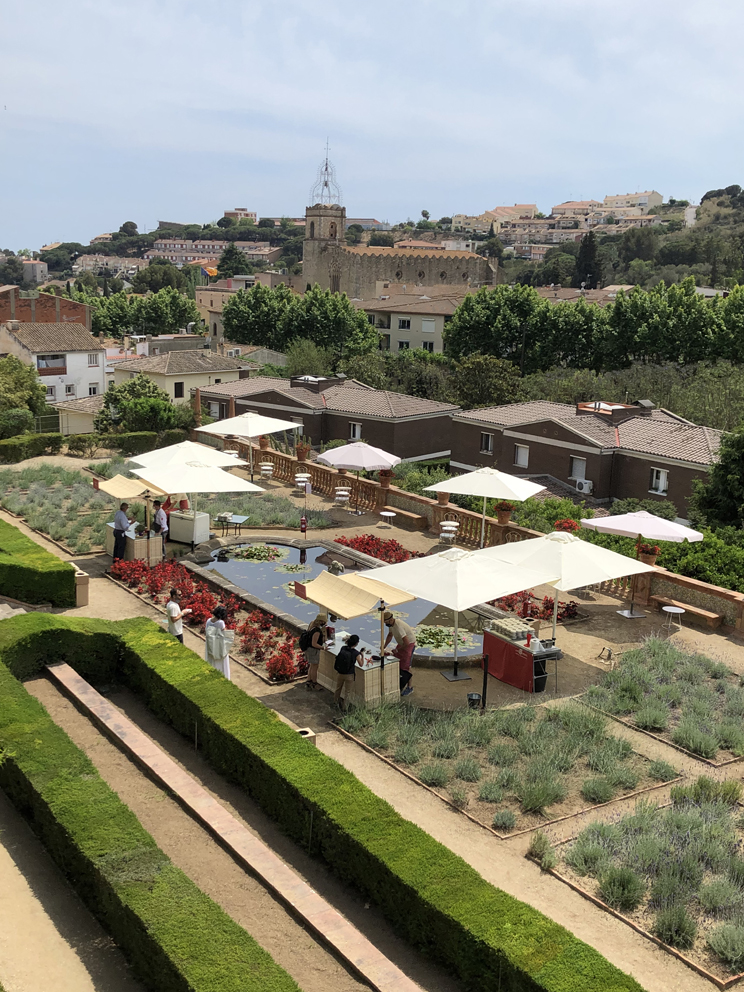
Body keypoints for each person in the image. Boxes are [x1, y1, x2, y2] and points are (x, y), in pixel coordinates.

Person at [384, 611, 416, 696]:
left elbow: (407, 643)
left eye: (386, 622)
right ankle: (399, 681)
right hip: (402, 644)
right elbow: (390, 635)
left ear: (391, 620)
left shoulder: (398, 626)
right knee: (397, 661)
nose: (386, 624)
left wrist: (397, 650)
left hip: (409, 644)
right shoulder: (391, 625)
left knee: (407, 666)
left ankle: (409, 687)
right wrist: (384, 646)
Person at [333, 634, 361, 711]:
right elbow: (361, 664)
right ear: (356, 643)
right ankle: (345, 708)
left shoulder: (343, 648)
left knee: (338, 688)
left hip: (340, 673)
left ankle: (335, 703)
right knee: (347, 692)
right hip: (349, 675)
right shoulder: (356, 653)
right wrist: (362, 654)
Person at [205, 605, 232, 679]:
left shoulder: (208, 621)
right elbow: (224, 632)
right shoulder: (220, 622)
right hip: (219, 645)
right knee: (222, 662)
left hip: (210, 644)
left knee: (212, 661)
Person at [302, 613, 327, 691]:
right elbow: (314, 644)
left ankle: (308, 681)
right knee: (315, 667)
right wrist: (323, 647)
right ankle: (314, 683)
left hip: (309, 650)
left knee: (312, 666)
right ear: (322, 621)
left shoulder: (312, 625)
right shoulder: (317, 631)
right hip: (313, 651)